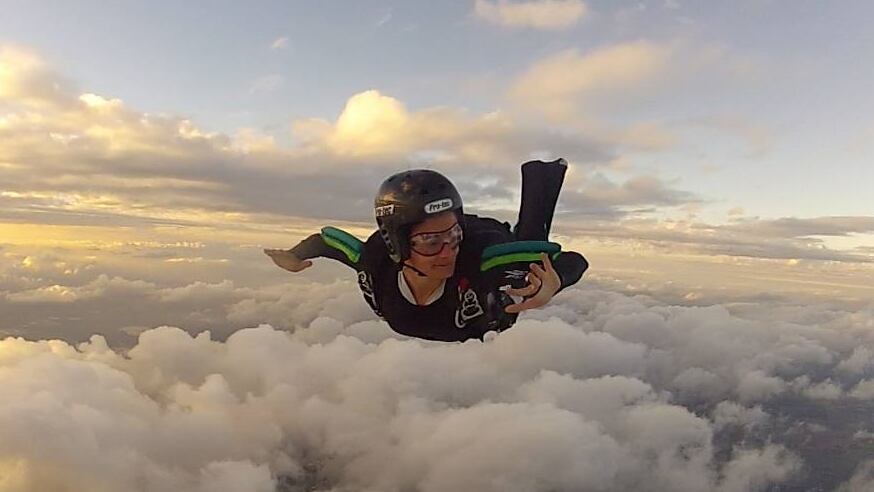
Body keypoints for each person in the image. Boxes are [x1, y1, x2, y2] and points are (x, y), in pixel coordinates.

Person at [264, 159, 588, 342]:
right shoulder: (376, 264)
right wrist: (294, 257)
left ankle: (545, 173)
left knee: (529, 246)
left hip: (487, 238)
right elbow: (330, 242)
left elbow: (573, 260)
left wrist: (555, 279)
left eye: (452, 236)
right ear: (398, 245)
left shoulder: (486, 263)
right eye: (431, 242)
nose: (448, 252)